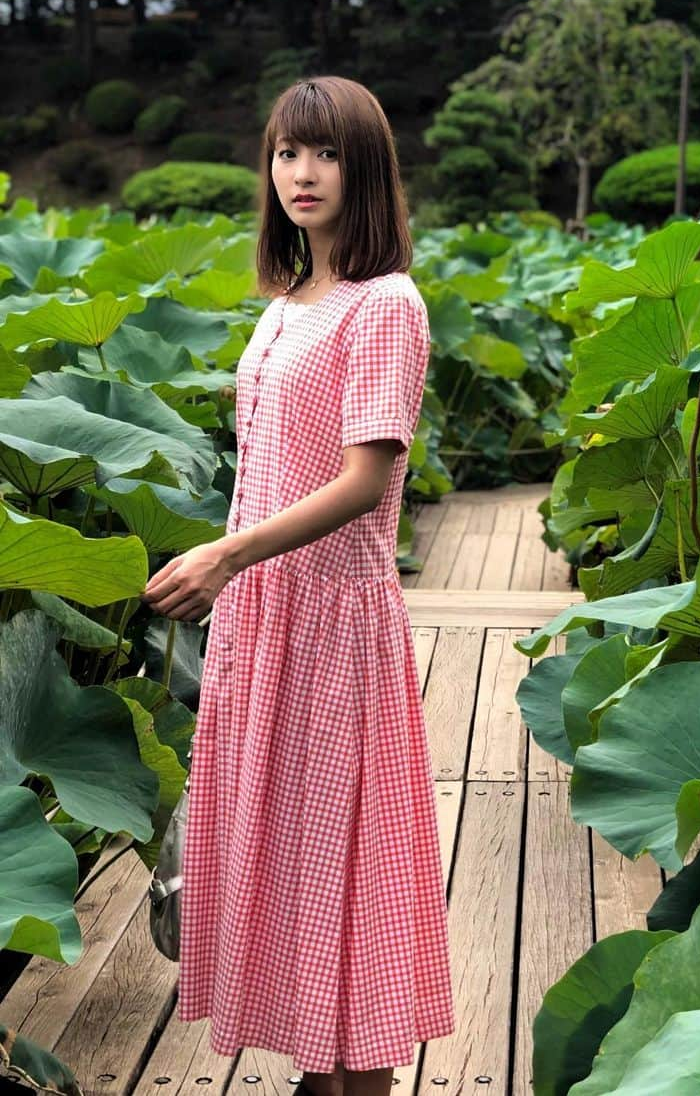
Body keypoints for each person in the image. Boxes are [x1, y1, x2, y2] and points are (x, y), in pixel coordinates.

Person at [141, 77, 456, 1096]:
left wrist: (229, 554)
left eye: (325, 154)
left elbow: (367, 482)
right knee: (285, 867)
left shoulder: (386, 304)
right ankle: (317, 1080)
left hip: (329, 620)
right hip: (265, 615)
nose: (302, 174)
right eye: (285, 153)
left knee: (344, 877)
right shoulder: (288, 303)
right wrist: (231, 570)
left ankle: (354, 1084)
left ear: (365, 170)